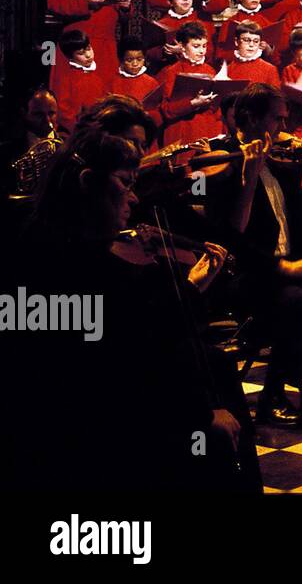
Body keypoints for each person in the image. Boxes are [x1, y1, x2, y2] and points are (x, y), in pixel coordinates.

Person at [2, 123, 256, 491]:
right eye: (125, 182)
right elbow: (129, 357)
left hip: (106, 406)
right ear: (88, 182)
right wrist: (202, 415)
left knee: (214, 364)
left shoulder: (60, 240)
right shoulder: (66, 259)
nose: (135, 199)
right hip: (91, 429)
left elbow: (135, 334)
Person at [204, 83, 302, 424]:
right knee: (300, 302)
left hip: (284, 269)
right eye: (276, 120)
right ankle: (272, 396)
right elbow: (232, 238)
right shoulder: (223, 164)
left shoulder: (279, 164)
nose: (283, 128)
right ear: (248, 118)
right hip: (247, 276)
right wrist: (287, 268)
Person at [157, 21, 222, 145]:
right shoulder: (172, 71)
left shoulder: (210, 70)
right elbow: (166, 110)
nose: (202, 51)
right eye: (196, 46)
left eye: (204, 46)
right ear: (182, 46)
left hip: (207, 129)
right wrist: (192, 103)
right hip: (184, 130)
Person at [108, 36, 160, 122]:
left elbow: (157, 110)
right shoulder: (112, 82)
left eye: (139, 59)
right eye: (129, 60)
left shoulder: (152, 83)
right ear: (121, 60)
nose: (135, 64)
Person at [224, 21, 281, 87]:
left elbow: (276, 96)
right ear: (237, 41)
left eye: (256, 41)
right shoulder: (228, 69)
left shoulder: (270, 69)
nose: (251, 45)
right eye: (246, 40)